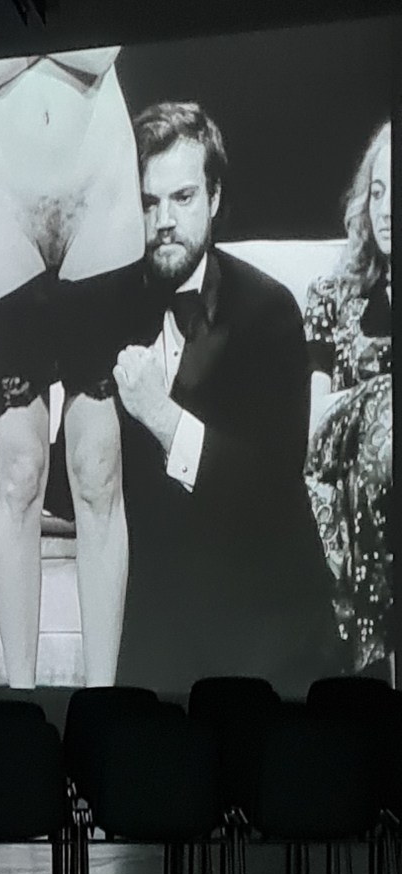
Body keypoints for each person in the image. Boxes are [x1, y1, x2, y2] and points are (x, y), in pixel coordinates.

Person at [112, 102, 341, 694]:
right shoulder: (114, 312)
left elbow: (270, 485)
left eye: (183, 197)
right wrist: (8, 427)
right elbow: (81, 488)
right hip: (160, 627)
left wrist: (161, 416)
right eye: (148, 202)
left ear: (214, 198)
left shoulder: (268, 311)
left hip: (265, 624)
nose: (164, 220)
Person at [0, 48, 145, 689]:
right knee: (19, 472)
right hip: (3, 203)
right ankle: (21, 702)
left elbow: (100, 49)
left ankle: (101, 702)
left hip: (100, 194)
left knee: (97, 472)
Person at [303, 121, 392, 677]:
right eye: (377, 193)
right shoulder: (333, 296)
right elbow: (314, 419)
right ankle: (376, 648)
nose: (385, 210)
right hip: (339, 452)